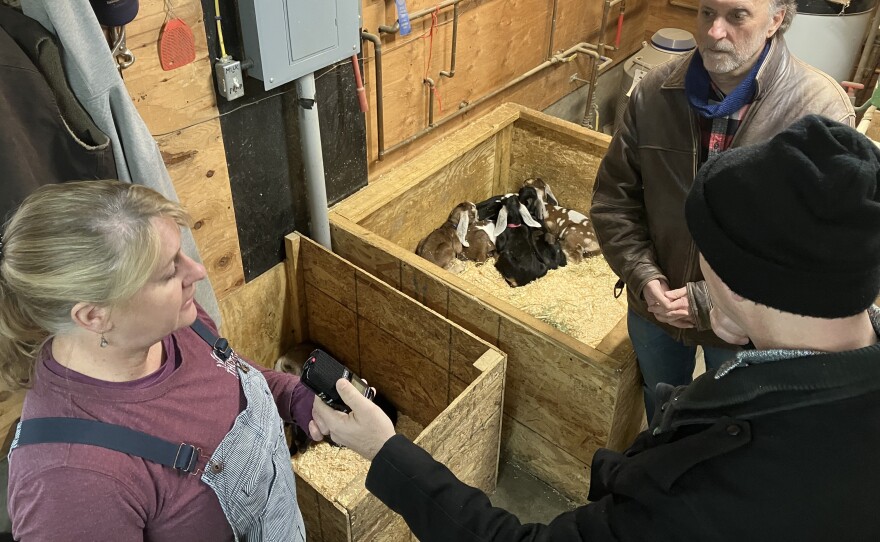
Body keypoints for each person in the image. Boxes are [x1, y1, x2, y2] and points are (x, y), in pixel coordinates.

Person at [310, 115, 880, 540]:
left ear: (751, 274)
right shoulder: (830, 385)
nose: (693, 263)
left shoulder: (712, 497)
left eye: (705, 249)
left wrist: (384, 448)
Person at [0, 180, 319, 540]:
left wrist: (299, 400)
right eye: (170, 271)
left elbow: (232, 374)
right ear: (94, 316)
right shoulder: (70, 483)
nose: (196, 272)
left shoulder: (174, 322)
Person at [589, 0, 855, 420]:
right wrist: (642, 275)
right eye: (707, 12)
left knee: (729, 424)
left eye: (737, 16)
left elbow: (811, 251)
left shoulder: (818, 110)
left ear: (776, 21)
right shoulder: (655, 92)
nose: (714, 31)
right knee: (663, 410)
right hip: (656, 306)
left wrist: (709, 298)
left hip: (743, 324)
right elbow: (614, 199)